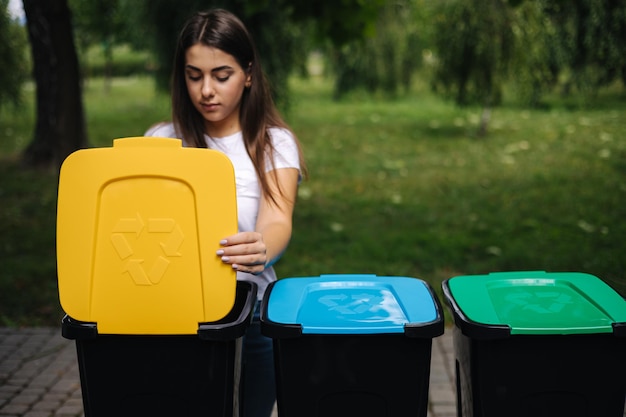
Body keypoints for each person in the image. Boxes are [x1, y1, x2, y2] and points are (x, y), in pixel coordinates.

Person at [145, 9, 306, 417]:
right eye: (194, 75)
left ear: (248, 74)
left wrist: (261, 246)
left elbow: (277, 219)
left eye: (222, 74)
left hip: (252, 312)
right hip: (176, 315)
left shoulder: (273, 142)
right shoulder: (161, 140)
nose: (206, 91)